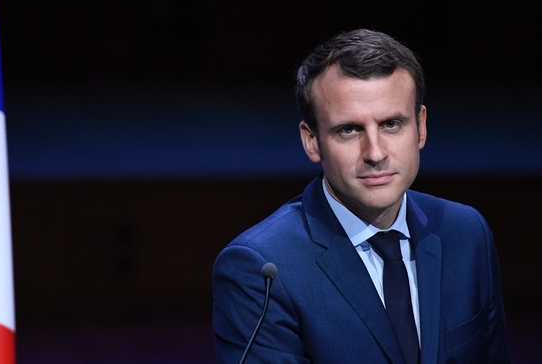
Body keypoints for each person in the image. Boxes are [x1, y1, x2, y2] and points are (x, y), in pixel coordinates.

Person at [212, 29, 511, 364]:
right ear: (312, 141)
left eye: (391, 125)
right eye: (349, 130)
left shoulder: (467, 233)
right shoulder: (263, 269)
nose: (375, 152)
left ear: (421, 126)